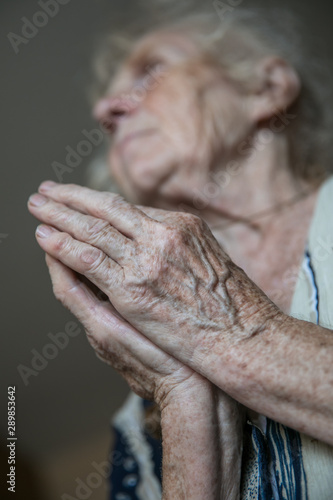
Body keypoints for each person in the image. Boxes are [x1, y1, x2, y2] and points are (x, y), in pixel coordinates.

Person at [27, 6, 333, 499]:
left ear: (267, 88)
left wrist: (228, 334)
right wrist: (181, 394)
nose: (105, 110)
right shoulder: (135, 418)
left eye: (151, 70)